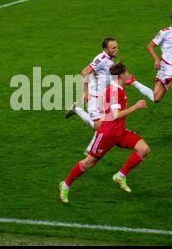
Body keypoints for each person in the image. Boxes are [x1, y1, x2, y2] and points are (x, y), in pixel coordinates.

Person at [59, 62, 150, 203]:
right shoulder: (115, 91)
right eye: (126, 73)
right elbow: (115, 115)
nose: (128, 75)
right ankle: (65, 185)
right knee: (89, 162)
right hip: (107, 134)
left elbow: (103, 101)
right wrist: (136, 106)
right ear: (120, 76)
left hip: (120, 132)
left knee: (144, 149)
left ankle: (120, 176)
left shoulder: (117, 87)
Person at [128, 12, 172, 129]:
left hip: (169, 68)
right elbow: (150, 46)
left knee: (156, 98)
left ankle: (133, 81)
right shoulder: (164, 32)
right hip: (166, 66)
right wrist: (156, 59)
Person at [65, 37, 117, 153]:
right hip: (95, 97)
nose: (116, 49)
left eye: (116, 47)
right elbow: (85, 72)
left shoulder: (110, 59)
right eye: (113, 48)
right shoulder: (101, 59)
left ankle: (90, 150)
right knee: (99, 126)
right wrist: (85, 92)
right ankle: (77, 109)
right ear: (106, 49)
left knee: (106, 123)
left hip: (104, 96)